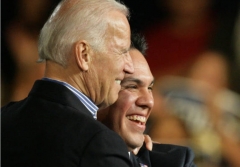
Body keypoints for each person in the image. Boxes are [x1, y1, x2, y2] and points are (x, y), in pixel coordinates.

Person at [1, 0, 134, 166]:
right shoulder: (98, 142)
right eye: (122, 51)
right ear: (84, 54)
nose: (130, 67)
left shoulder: (4, 119)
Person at [98, 33, 196, 167]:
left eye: (150, 88)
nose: (149, 101)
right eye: (132, 86)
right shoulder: (70, 151)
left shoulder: (173, 161)